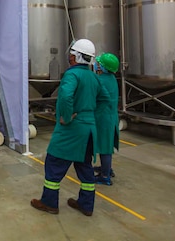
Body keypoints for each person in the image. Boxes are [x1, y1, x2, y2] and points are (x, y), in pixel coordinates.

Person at [31, 38, 110, 217]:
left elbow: (66, 96)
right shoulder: (94, 77)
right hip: (89, 130)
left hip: (72, 130)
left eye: (72, 54)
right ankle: (86, 205)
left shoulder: (72, 75)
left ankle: (49, 203)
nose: (70, 57)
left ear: (76, 57)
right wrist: (90, 115)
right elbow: (105, 99)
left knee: (54, 163)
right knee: (85, 167)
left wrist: (67, 116)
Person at [93, 52, 120, 186]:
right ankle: (107, 169)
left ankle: (105, 176)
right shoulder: (112, 79)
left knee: (104, 147)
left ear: (103, 67)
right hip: (111, 116)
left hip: (103, 118)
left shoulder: (101, 80)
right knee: (107, 145)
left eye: (99, 63)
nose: (97, 65)